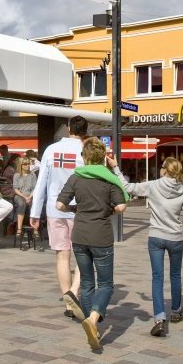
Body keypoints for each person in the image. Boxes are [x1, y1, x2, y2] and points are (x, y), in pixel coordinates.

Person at [123, 157, 183, 336]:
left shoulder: (153, 185)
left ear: (164, 170)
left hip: (156, 237)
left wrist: (116, 168)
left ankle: (159, 318)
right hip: (175, 239)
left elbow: (128, 187)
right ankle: (176, 311)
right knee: (175, 275)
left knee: (157, 278)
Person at [56, 138, 128, 350]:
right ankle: (93, 319)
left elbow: (59, 204)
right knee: (105, 284)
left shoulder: (76, 177)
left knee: (87, 283)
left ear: (84, 157)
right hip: (101, 237)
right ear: (102, 156)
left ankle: (90, 324)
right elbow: (122, 205)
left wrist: (74, 209)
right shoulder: (108, 179)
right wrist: (109, 210)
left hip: (79, 236)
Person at [31, 116, 89, 320]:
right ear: (85, 131)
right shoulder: (85, 151)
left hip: (54, 209)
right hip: (79, 209)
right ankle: (74, 290)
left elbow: (41, 183)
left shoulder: (51, 150)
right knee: (84, 254)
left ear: (69, 129)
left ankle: (68, 302)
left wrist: (34, 213)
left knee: (62, 256)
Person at [12, 156, 37, 243]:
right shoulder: (17, 175)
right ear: (21, 165)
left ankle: (35, 229)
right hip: (20, 195)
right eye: (25, 164)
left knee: (35, 205)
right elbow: (15, 189)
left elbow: (35, 188)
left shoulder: (33, 175)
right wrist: (24, 197)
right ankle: (19, 229)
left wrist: (30, 196)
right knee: (21, 204)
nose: (27, 166)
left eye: (28, 164)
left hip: (30, 195)